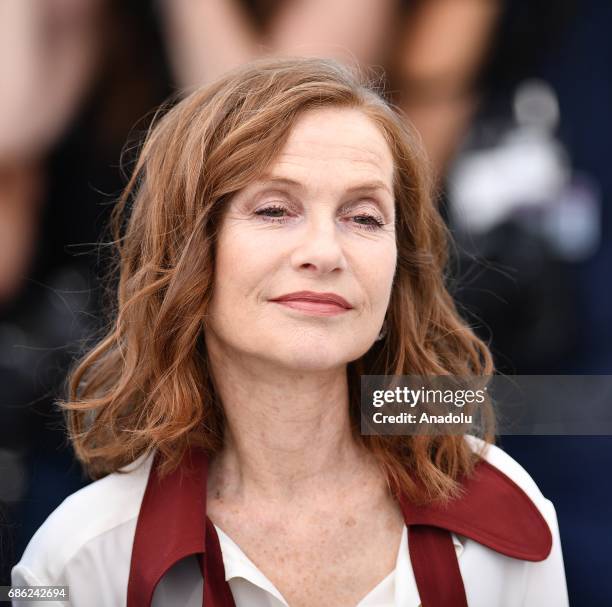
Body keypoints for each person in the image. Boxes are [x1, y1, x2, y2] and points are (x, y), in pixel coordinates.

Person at [11, 57, 568, 607]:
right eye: (276, 210)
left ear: (399, 272)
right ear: (185, 254)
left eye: (365, 217)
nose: (326, 253)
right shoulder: (75, 561)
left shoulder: (507, 511)